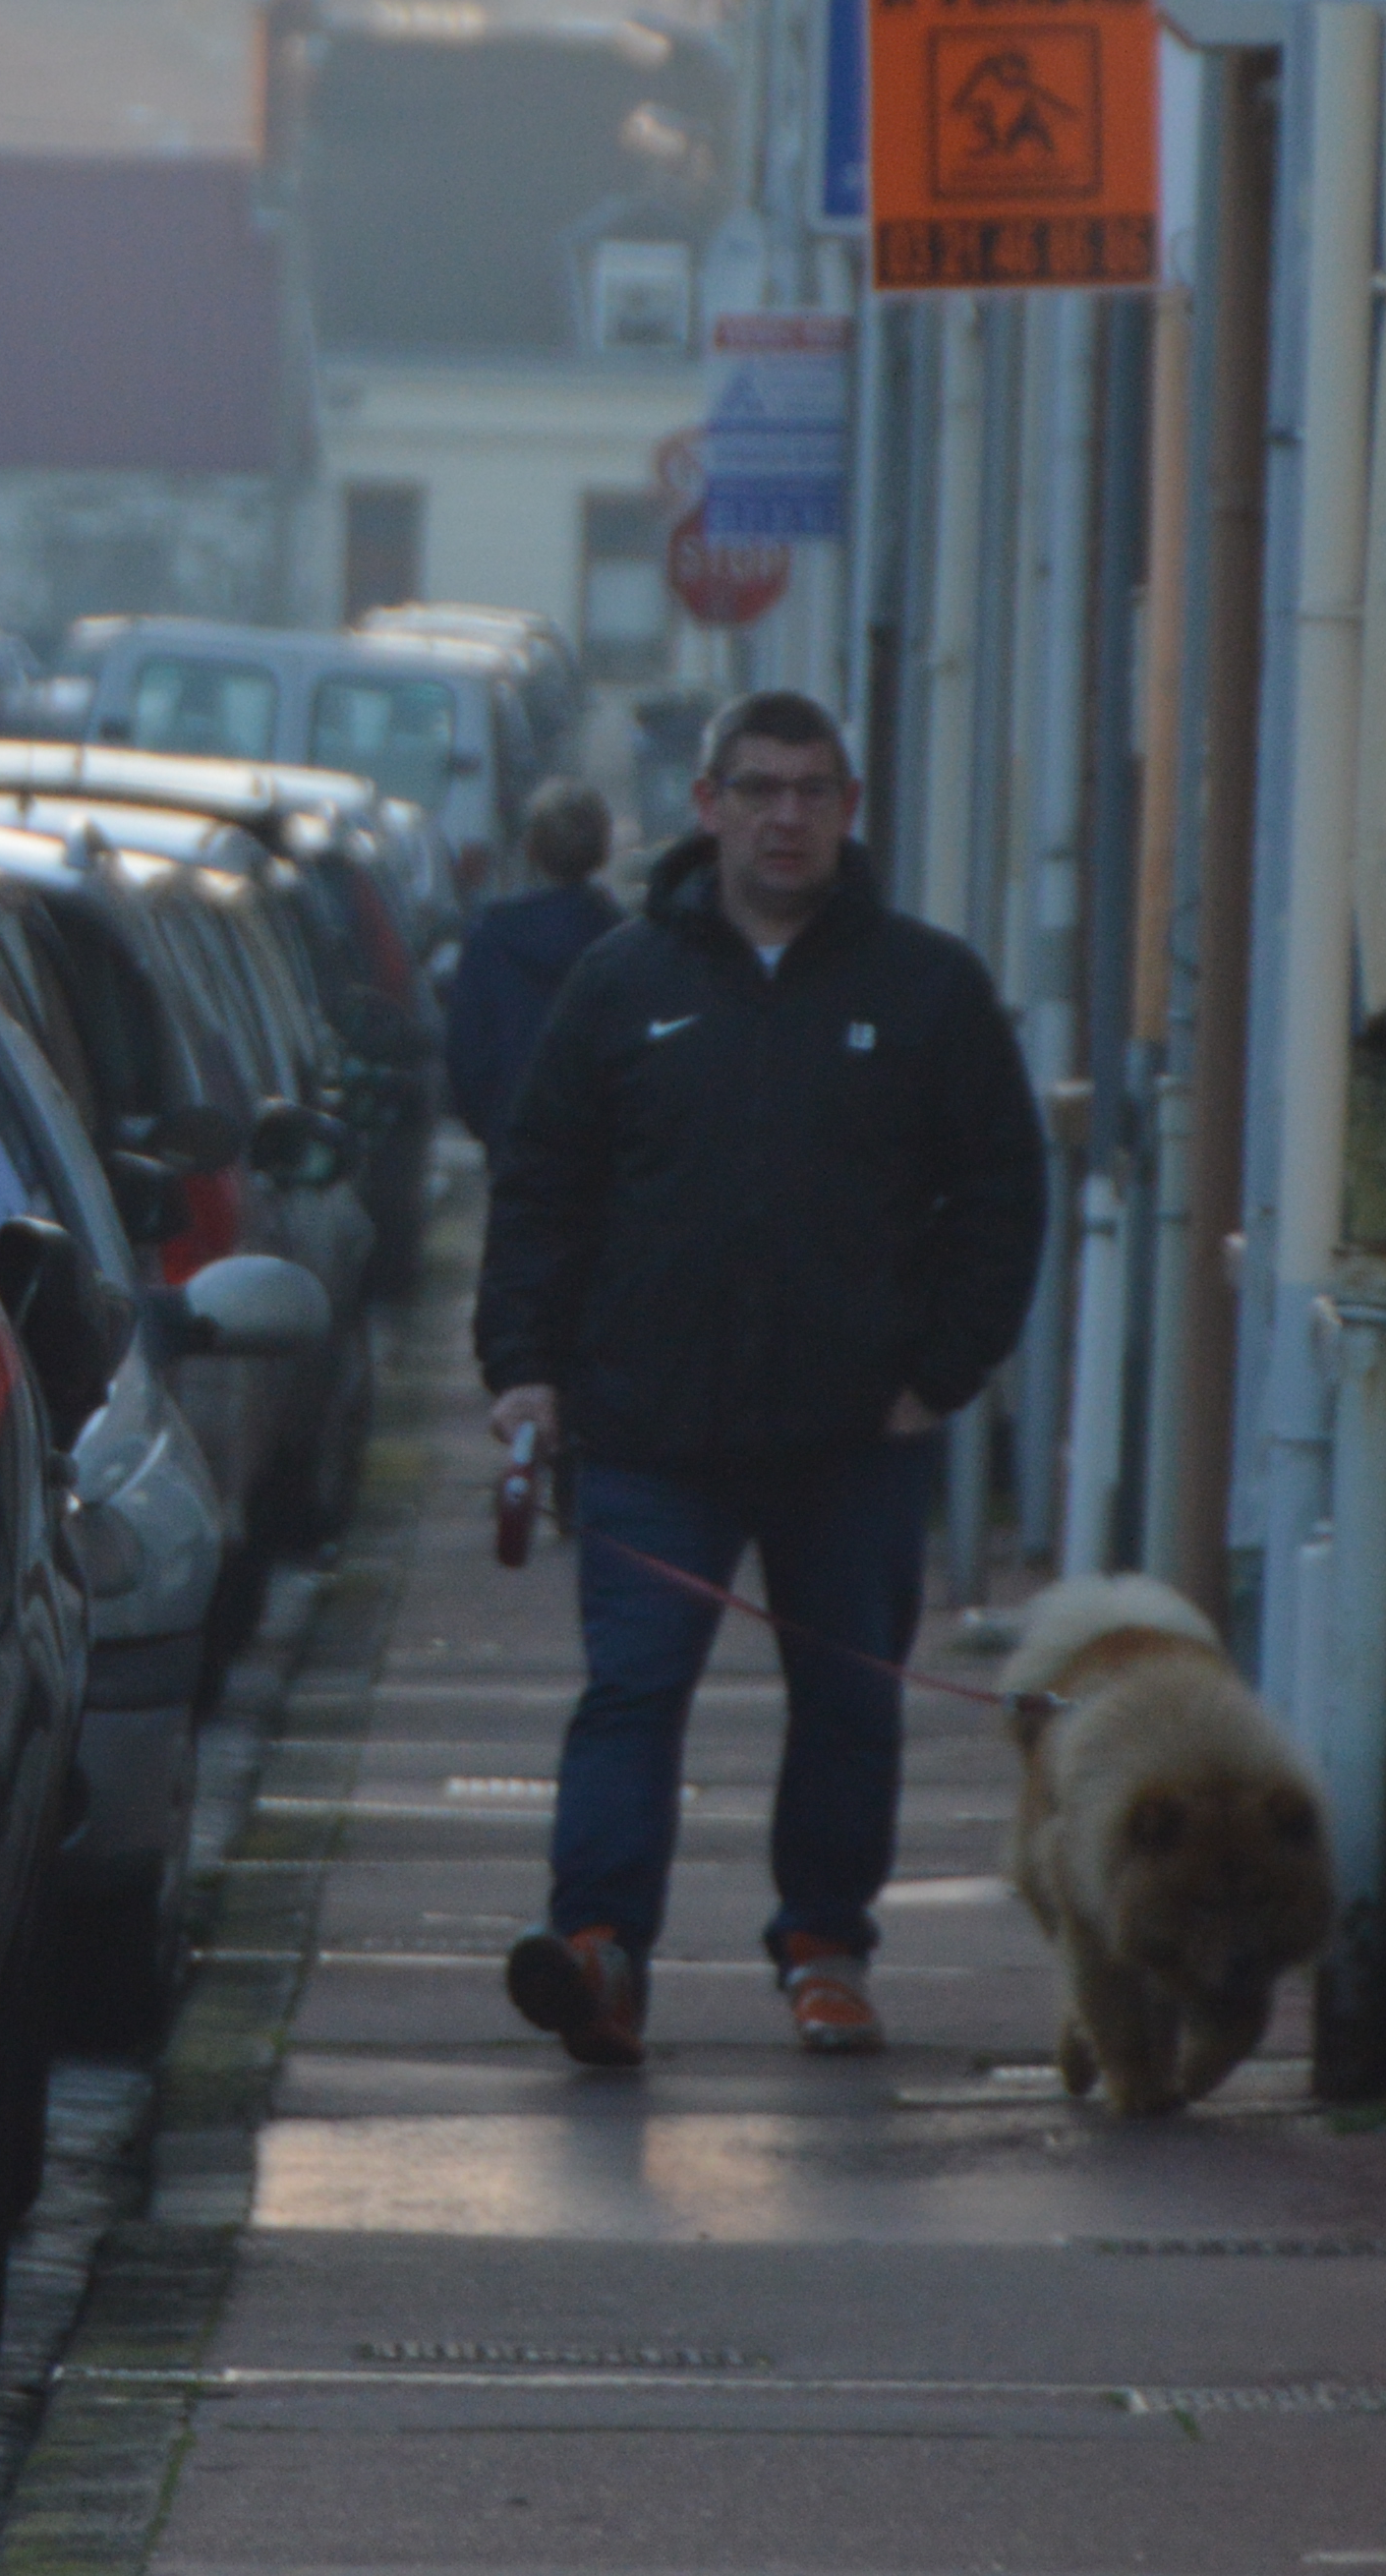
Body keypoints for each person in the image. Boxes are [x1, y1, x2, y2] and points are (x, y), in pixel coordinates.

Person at [471, 690, 1046, 2067]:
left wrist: (942, 1374)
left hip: (854, 1434)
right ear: (708, 806)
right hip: (650, 1431)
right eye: (759, 788)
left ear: (850, 812)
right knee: (632, 1690)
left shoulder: (926, 988)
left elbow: (1004, 1193)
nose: (786, 815)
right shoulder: (622, 984)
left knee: (847, 1702)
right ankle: (600, 1953)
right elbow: (541, 1187)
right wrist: (526, 1373)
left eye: (813, 791)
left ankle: (826, 1948)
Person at [439, 780, 618, 1141]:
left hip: (514, 1144)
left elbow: (467, 1049)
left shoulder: (490, 935)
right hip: (603, 1155)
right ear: (603, 848)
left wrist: (491, 1128)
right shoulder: (624, 940)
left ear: (531, 848)